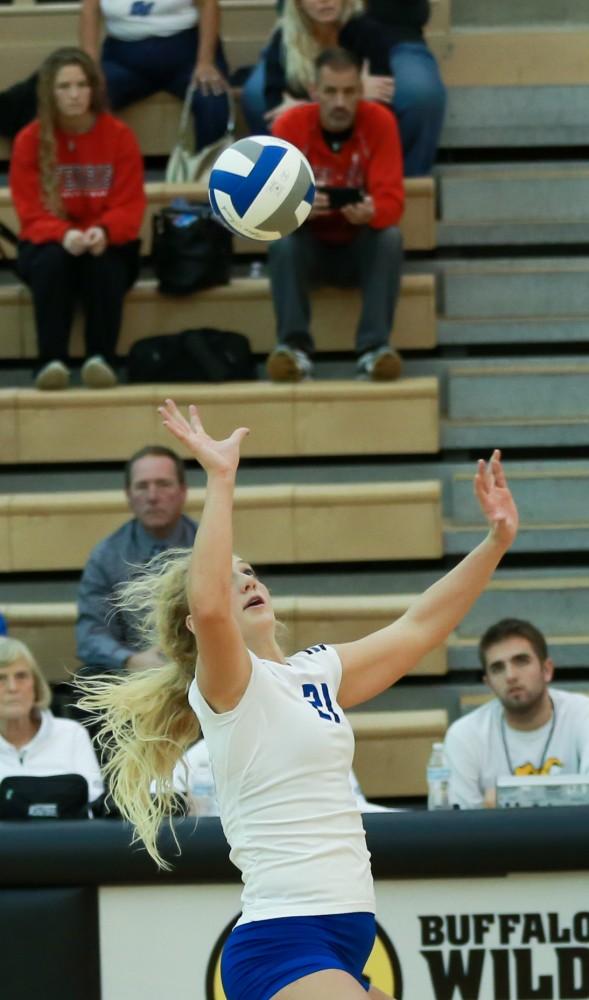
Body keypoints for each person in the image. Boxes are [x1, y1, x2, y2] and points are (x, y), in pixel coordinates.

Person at [79, 396, 518, 1000]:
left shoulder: (318, 673)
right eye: (231, 579)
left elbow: (418, 627)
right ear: (197, 629)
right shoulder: (229, 688)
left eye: (250, 570)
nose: (247, 581)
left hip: (348, 934)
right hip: (282, 943)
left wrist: (495, 542)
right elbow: (208, 607)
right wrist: (221, 479)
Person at [9, 48, 146, 391]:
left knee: (105, 264)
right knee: (51, 262)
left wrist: (103, 231)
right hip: (51, 243)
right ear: (49, 93)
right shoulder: (29, 141)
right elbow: (29, 211)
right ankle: (50, 362)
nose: (74, 95)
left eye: (81, 85)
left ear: (94, 89)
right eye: (64, 87)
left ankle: (101, 359)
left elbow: (130, 206)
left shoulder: (119, 136)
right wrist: (64, 234)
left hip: (106, 241)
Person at [266, 47, 404, 383]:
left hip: (359, 246)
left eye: (349, 91)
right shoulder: (289, 125)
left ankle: (374, 349)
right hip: (307, 247)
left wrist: (372, 212)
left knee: (390, 236)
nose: (340, 102)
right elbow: (267, 202)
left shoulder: (380, 122)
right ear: (314, 92)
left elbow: (392, 200)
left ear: (361, 91)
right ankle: (294, 350)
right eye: (330, 91)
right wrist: (297, 210)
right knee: (281, 239)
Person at [241, 0, 446, 177]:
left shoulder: (365, 33)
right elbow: (276, 105)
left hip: (396, 29)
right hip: (302, 33)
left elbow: (378, 106)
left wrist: (306, 107)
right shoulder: (285, 39)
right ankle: (279, 186)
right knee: (256, 97)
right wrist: (339, 97)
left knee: (419, 95)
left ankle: (406, 190)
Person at [76, 445, 197, 675]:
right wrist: (130, 660)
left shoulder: (209, 545)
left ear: (183, 491)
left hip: (200, 665)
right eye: (142, 486)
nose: (152, 496)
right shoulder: (106, 556)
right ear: (129, 495)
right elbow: (91, 634)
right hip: (134, 671)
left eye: (163, 484)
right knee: (88, 675)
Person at [444, 618, 589, 810]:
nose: (510, 676)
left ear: (546, 670)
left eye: (521, 661)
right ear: (488, 683)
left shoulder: (583, 714)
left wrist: (498, 804)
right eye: (498, 668)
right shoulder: (464, 735)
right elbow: (461, 826)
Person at [79, 0, 229, 152]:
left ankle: (207, 169)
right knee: (89, 96)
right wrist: (92, 68)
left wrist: (205, 61)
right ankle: (99, 169)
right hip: (123, 57)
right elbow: (90, 10)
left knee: (213, 99)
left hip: (188, 52)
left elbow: (208, 4)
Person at [0, 637, 104, 806]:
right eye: (1, 678)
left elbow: (93, 802)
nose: (12, 687)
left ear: (35, 684)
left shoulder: (71, 734)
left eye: (21, 676)